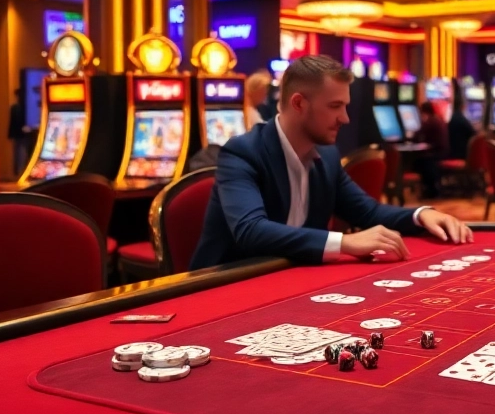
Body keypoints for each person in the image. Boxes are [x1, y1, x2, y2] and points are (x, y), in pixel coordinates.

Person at [190, 55, 473, 270]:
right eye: (335, 106)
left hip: (290, 276)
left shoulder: (326, 156)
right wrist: (345, 242)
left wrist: (421, 215)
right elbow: (251, 230)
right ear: (299, 104)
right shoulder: (243, 153)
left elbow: (368, 211)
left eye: (345, 106)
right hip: (226, 283)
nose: (345, 118)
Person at [415, 102, 448, 198]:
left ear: (424, 111)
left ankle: (430, 189)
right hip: (442, 151)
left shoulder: (430, 121)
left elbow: (417, 135)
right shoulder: (437, 119)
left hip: (437, 153)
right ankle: (430, 188)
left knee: (420, 160)